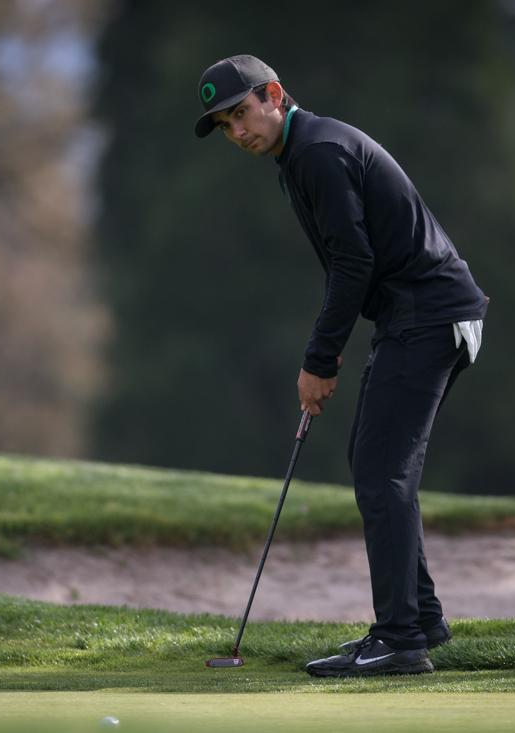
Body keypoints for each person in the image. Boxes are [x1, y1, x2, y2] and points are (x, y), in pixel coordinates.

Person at [194, 54, 489, 677]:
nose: (237, 131)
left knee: (382, 472)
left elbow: (351, 263)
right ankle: (421, 618)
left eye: (242, 113)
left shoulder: (318, 153)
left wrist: (319, 358)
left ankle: (399, 638)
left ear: (274, 95)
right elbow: (352, 262)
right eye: (225, 125)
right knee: (375, 464)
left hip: (428, 314)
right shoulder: (302, 153)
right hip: (422, 315)